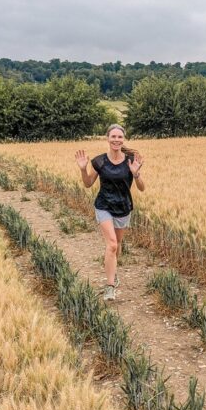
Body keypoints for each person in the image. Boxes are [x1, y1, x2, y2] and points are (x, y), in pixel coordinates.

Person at [75, 124, 145, 300]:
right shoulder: (99, 161)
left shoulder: (131, 160)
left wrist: (136, 174)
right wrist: (83, 169)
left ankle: (113, 271)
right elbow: (88, 183)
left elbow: (142, 188)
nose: (116, 140)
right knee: (112, 244)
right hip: (104, 205)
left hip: (123, 207)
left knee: (117, 245)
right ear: (107, 138)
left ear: (123, 139)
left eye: (119, 137)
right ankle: (110, 286)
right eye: (113, 136)